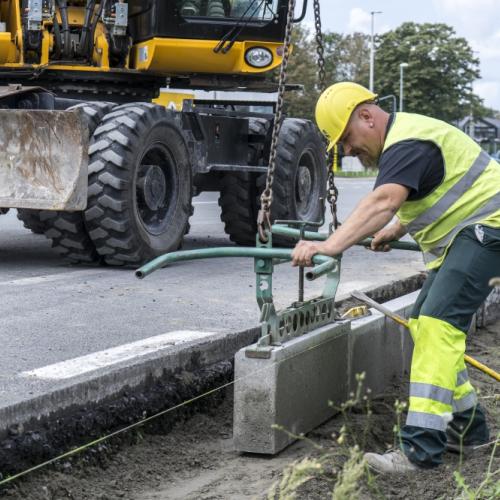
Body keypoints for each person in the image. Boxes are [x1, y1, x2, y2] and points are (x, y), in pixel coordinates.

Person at [291, 81, 500, 473]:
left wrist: (329, 245)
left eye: (348, 139)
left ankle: (420, 451)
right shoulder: (406, 141)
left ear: (367, 116)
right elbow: (432, 187)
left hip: (489, 229)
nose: (349, 150)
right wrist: (399, 229)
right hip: (470, 235)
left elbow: (384, 201)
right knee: (423, 324)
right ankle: (468, 432)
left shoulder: (406, 142)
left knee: (438, 325)